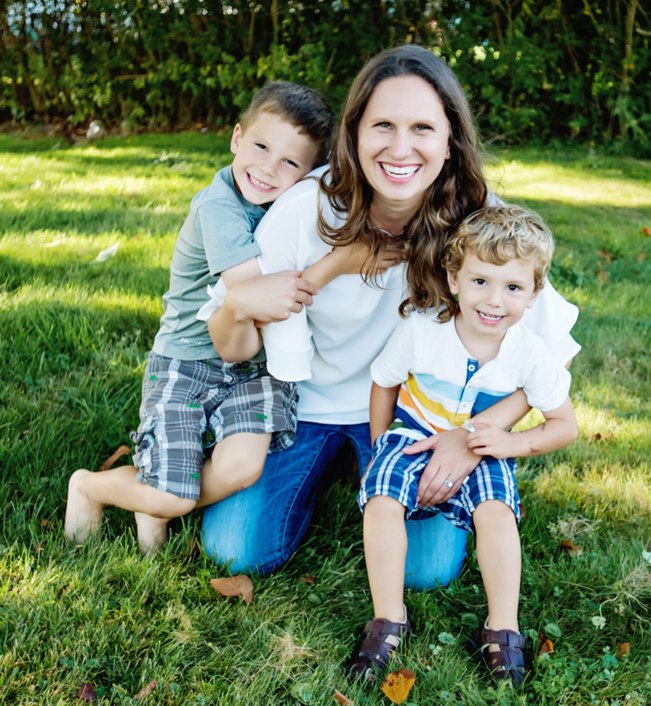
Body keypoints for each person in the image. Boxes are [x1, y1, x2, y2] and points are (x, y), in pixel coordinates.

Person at [200, 45, 581, 592]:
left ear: (450, 140)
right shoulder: (306, 208)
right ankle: (333, 463)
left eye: (422, 127)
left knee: (423, 572)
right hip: (301, 402)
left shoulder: (481, 219)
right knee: (233, 551)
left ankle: (366, 462)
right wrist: (245, 302)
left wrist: (474, 434)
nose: (400, 148)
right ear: (353, 133)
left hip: (420, 418)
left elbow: (545, 352)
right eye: (382, 125)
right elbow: (229, 333)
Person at [64, 81, 342, 553]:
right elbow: (255, 293)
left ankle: (150, 497)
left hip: (252, 367)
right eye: (260, 146)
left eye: (290, 162)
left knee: (242, 468)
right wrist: (343, 260)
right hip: (188, 361)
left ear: (309, 174)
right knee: (171, 493)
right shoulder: (219, 207)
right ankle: (94, 487)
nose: (268, 169)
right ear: (236, 138)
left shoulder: (289, 207)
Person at [347, 204, 578, 685]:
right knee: (383, 498)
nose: (494, 301)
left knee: (496, 510)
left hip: (489, 448)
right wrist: (378, 447)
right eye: (480, 282)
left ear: (534, 294)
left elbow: (563, 425)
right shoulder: (421, 331)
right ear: (453, 278)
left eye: (513, 287)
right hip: (412, 434)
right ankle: (389, 619)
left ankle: (502, 628)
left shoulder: (530, 355)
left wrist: (510, 445)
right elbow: (383, 382)